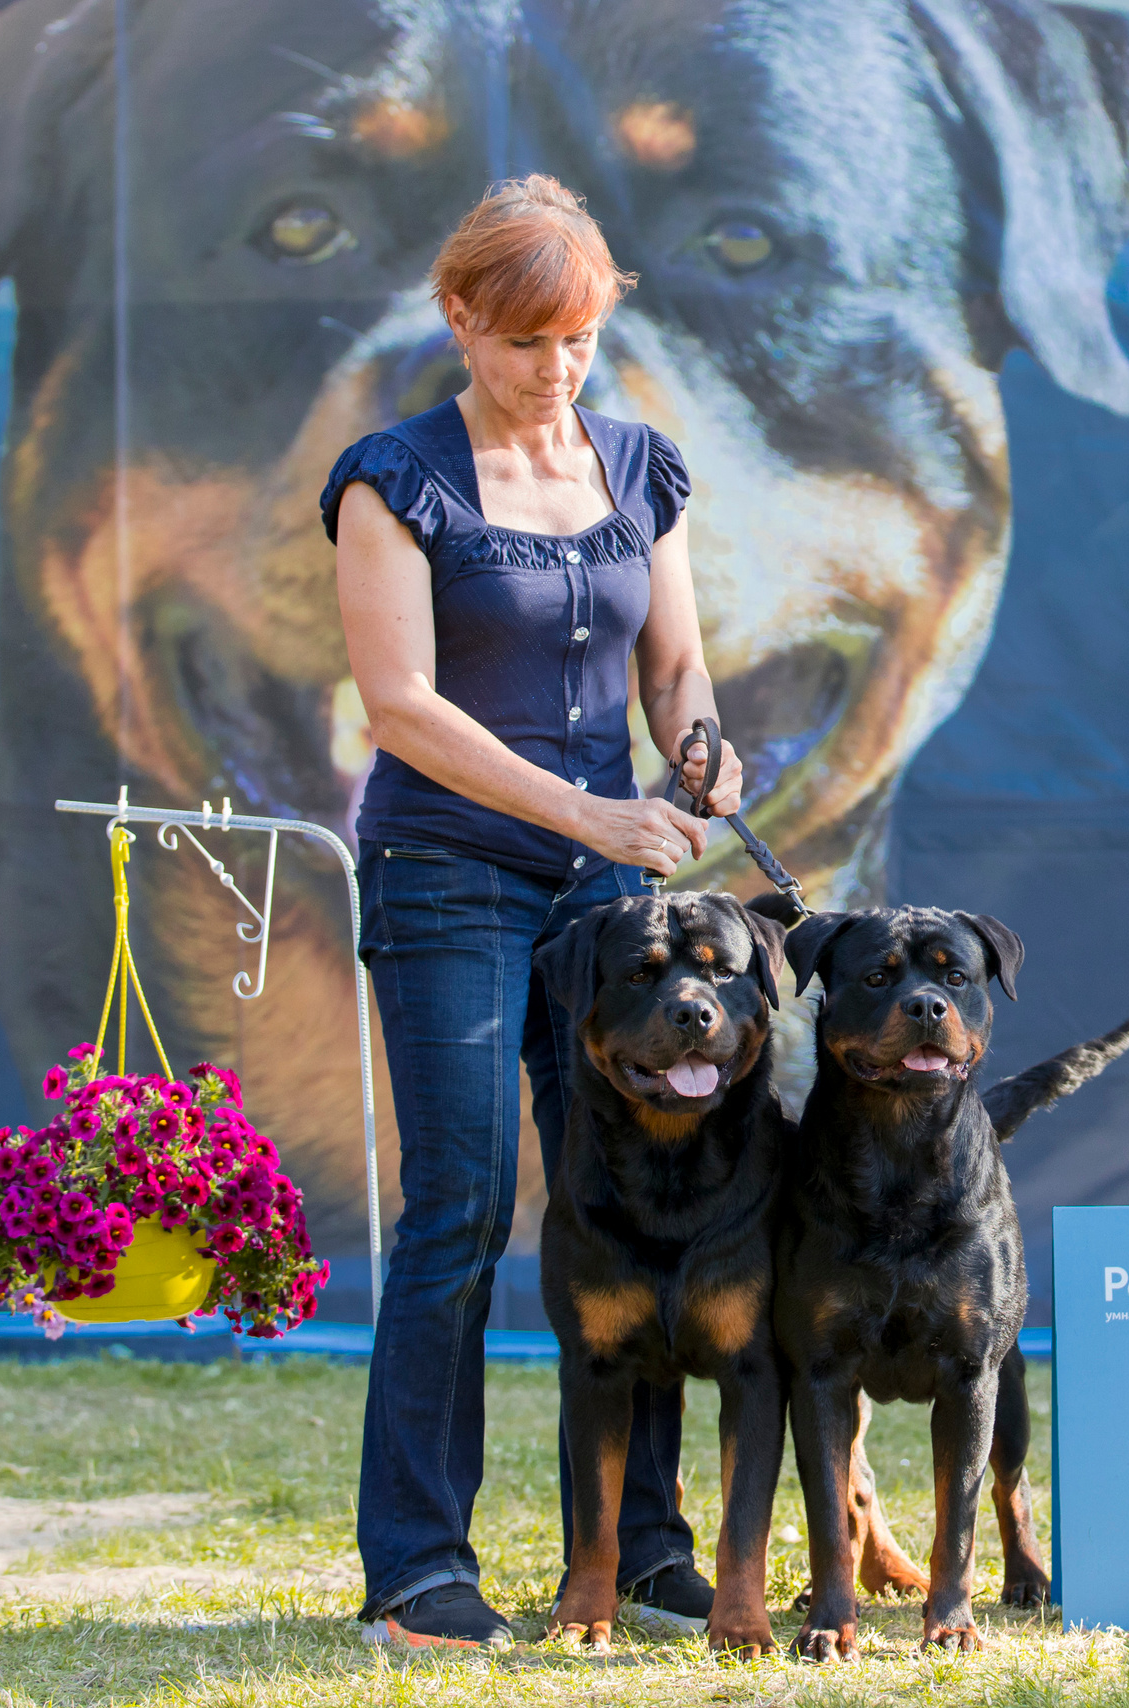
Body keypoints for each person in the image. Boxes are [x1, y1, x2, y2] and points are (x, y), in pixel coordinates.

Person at [324, 175, 743, 1652]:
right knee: (458, 1209)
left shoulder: (642, 467)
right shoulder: (394, 480)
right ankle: (419, 1569)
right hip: (450, 873)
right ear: (458, 319)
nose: (554, 368)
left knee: (629, 1209)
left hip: (612, 894)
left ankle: (642, 1548)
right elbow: (402, 709)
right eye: (522, 341)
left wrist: (701, 741)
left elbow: (675, 665)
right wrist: (585, 814)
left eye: (576, 338)